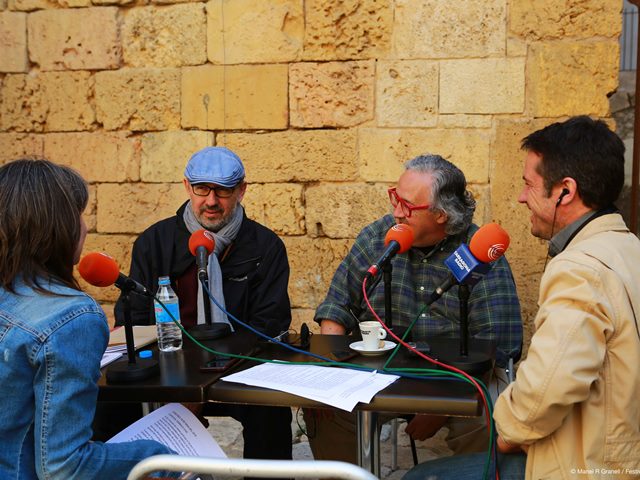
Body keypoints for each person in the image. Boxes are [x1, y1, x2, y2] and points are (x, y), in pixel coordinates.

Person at [403, 116, 640, 479]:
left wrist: (507, 432)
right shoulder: (629, 247)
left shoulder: (579, 268)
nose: (521, 197)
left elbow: (547, 388)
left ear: (565, 191)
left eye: (529, 185)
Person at [304, 154, 523, 463]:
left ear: (441, 214)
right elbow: (336, 306)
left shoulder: (477, 253)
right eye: (396, 198)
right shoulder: (378, 237)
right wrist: (333, 372)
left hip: (456, 379)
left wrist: (441, 406)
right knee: (324, 410)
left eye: (407, 206)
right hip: (379, 371)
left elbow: (499, 344)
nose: (397, 212)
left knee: (485, 419)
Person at [95, 147, 293, 465]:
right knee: (106, 405)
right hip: (164, 369)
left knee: (271, 411)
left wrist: (201, 383)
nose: (211, 201)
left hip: (237, 368)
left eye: (223, 191)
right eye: (202, 189)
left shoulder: (265, 246)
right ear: (187, 187)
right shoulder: (154, 242)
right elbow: (135, 319)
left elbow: (268, 324)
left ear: (241, 190)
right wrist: (177, 386)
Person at [0, 158, 175, 479]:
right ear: (58, 226)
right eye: (79, 214)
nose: (85, 226)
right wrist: (158, 458)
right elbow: (64, 467)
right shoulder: (70, 318)